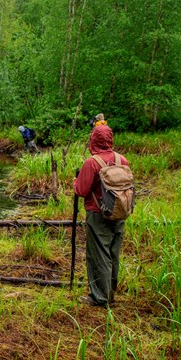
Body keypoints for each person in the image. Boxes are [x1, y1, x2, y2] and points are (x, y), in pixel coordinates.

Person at [74, 125, 130, 307]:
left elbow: (82, 190)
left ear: (93, 140)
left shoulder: (92, 163)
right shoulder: (122, 160)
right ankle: (110, 294)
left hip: (98, 215)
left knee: (99, 255)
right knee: (113, 254)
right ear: (110, 139)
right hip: (119, 214)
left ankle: (99, 298)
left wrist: (75, 182)